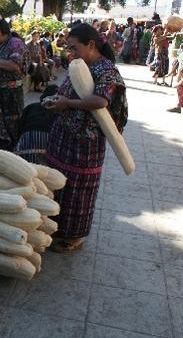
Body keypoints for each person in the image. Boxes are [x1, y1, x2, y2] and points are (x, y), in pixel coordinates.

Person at [43, 23, 127, 252]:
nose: (71, 53)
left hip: (85, 141)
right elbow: (66, 91)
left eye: (74, 48)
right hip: (64, 135)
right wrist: (54, 102)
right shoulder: (80, 65)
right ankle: (55, 228)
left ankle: (74, 237)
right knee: (57, 183)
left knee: (78, 191)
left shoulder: (106, 70)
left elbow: (101, 101)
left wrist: (67, 103)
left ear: (91, 45)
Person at [0, 18, 27, 151]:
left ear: (0, 32)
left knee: (11, 124)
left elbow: (14, 65)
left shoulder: (15, 43)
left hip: (11, 94)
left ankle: (12, 152)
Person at [14, 85, 59, 164]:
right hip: (47, 144)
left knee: (25, 164)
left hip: (27, 140)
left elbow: (20, 126)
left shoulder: (31, 107)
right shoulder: (59, 112)